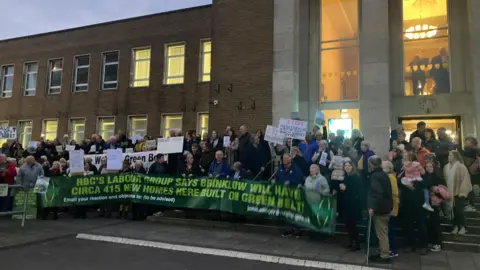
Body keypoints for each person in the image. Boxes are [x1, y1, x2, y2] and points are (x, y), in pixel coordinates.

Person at [367, 155, 392, 263]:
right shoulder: (383, 174)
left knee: (381, 233)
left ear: (371, 165)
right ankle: (383, 251)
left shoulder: (375, 176)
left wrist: (372, 206)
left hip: (380, 208)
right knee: (382, 232)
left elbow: (377, 193)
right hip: (385, 206)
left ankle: (385, 255)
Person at [274, 154, 304, 237]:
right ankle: (288, 229)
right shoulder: (281, 168)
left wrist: (290, 182)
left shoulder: (296, 169)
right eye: (283, 158)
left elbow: (299, 179)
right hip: (284, 194)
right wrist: (274, 180)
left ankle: (298, 230)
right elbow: (277, 177)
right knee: (286, 211)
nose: (284, 160)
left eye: (286, 158)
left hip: (293, 193)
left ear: (290, 159)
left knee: (295, 211)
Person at [444, 151, 472, 235]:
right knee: (452, 211)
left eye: (450, 155)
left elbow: (465, 179)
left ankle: (463, 227)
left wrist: (462, 192)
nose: (449, 156)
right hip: (450, 192)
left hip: (459, 192)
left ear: (455, 157)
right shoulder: (446, 167)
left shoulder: (461, 167)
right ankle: (455, 226)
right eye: (448, 155)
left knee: (459, 211)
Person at [426, 161, 451, 252]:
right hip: (427, 204)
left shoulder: (438, 179)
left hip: (436, 204)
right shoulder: (425, 177)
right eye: (427, 166)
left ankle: (438, 243)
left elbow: (445, 195)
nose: (428, 168)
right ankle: (431, 242)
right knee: (429, 225)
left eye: (430, 166)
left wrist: (436, 192)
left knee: (436, 225)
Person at [339, 161, 362, 251]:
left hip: (353, 204)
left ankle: (356, 243)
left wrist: (346, 188)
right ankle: (351, 241)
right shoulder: (346, 177)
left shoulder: (355, 177)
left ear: (352, 167)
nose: (347, 167)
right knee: (348, 224)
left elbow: (357, 190)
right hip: (346, 204)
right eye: (346, 165)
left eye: (349, 165)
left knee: (352, 225)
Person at [382, 161, 399, 258]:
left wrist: (392, 208)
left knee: (390, 230)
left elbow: (394, 194)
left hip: (391, 208)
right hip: (387, 207)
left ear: (389, 168)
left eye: (384, 167)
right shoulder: (386, 177)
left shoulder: (391, 178)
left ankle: (393, 249)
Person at [460, 136, 479, 212]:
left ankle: (471, 204)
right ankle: (470, 204)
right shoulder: (470, 150)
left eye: (468, 141)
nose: (465, 143)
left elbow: (468, 161)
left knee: (470, 188)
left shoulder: (472, 151)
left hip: (472, 172)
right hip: (471, 172)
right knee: (470, 187)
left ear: (472, 143)